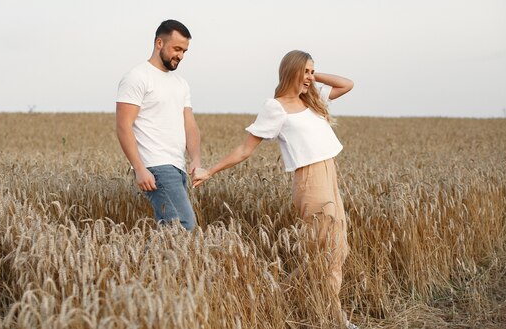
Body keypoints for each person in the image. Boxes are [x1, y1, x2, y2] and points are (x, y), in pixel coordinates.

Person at [192, 50, 358, 328]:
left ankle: (278, 297)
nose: (309, 77)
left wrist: (312, 76)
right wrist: (210, 171)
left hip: (330, 176)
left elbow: (347, 84)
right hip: (310, 182)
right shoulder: (276, 108)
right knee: (328, 251)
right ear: (290, 70)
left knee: (335, 249)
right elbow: (245, 149)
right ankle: (336, 319)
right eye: (304, 71)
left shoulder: (313, 101)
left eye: (312, 71)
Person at [116, 19, 201, 231]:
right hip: (156, 166)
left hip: (177, 166)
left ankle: (145, 264)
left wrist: (196, 159)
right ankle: (145, 264)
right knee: (183, 226)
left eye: (184, 51)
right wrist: (139, 168)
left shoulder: (180, 83)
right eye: (177, 49)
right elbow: (123, 126)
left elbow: (189, 125)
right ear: (159, 43)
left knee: (172, 230)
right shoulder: (137, 77)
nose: (180, 56)